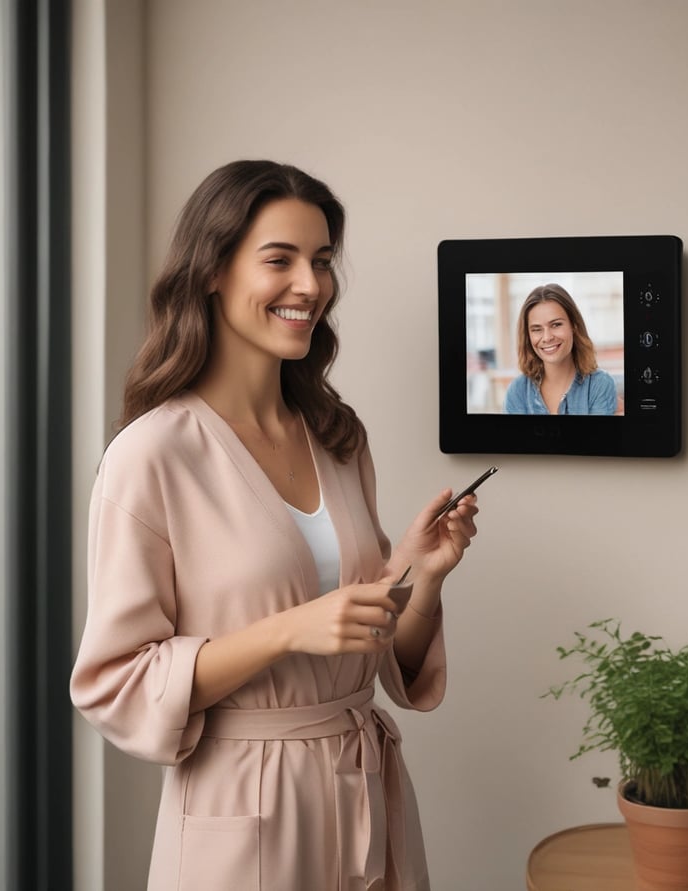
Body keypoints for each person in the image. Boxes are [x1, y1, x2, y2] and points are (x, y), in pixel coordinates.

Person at [70, 160, 479, 891]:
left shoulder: (337, 434)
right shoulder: (152, 456)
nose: (311, 285)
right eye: (279, 259)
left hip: (367, 793)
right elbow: (115, 680)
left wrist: (418, 574)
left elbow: (373, 649)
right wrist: (289, 628)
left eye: (321, 261)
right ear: (212, 272)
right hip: (242, 805)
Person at [503, 283, 618, 415]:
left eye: (556, 325)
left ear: (573, 326)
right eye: (536, 329)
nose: (547, 337)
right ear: (528, 336)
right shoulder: (517, 391)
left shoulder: (599, 385)